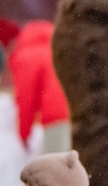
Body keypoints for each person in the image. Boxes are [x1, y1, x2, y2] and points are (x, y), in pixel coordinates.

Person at [9, 20, 71, 152]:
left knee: (55, 168)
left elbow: (25, 98)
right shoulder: (60, 49)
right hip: (78, 116)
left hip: (56, 118)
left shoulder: (27, 56)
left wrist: (24, 134)